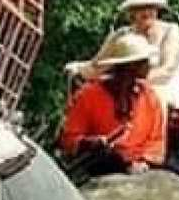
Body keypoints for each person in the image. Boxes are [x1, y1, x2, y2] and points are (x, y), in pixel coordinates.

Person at [66, 0, 179, 175]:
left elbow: (167, 69)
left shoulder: (170, 31)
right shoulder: (121, 36)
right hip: (129, 86)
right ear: (131, 12)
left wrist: (138, 80)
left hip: (166, 83)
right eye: (139, 8)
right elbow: (98, 64)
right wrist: (77, 69)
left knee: (159, 98)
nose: (145, 12)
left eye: (149, 7)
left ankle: (176, 163)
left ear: (157, 9)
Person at [58, 32, 166, 175]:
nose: (149, 66)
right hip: (101, 161)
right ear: (129, 66)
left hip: (142, 165)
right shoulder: (88, 95)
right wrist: (91, 143)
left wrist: (144, 161)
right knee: (109, 158)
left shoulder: (150, 96)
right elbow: (69, 139)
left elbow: (157, 141)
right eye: (143, 62)